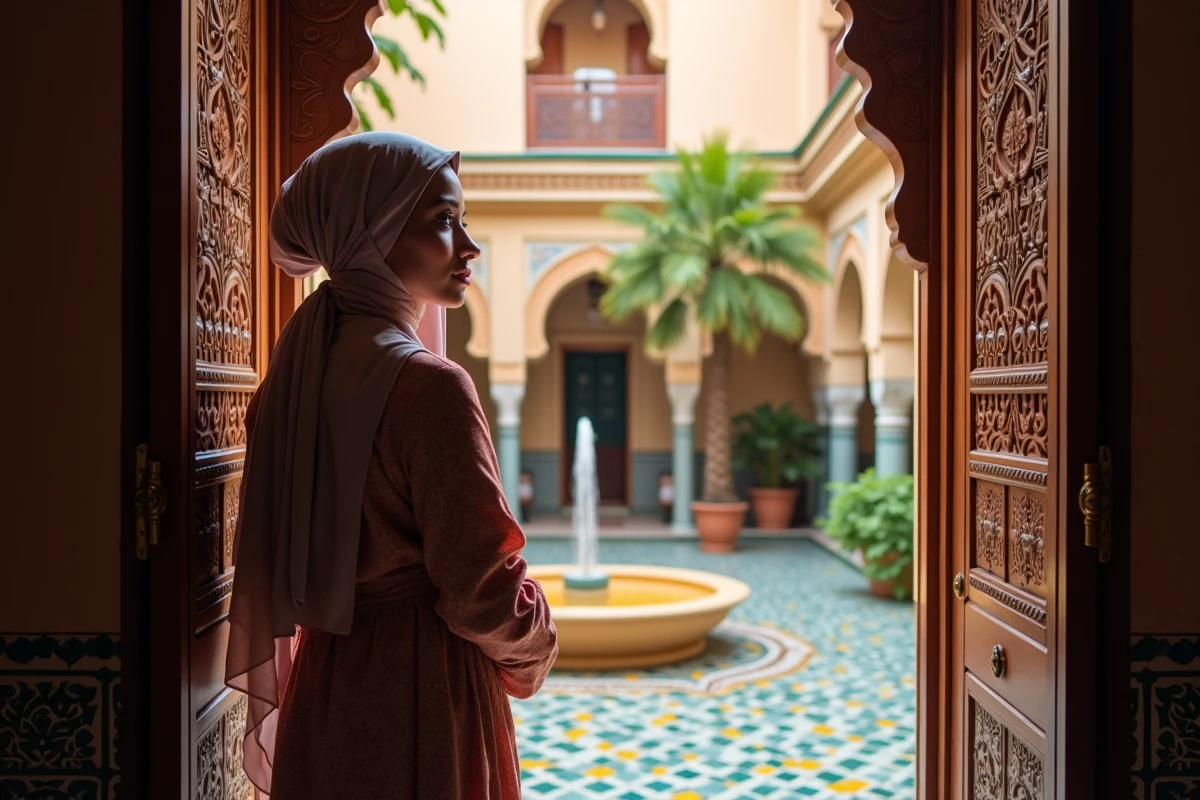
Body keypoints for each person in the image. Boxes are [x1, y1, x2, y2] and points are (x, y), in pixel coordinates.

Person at [225, 132, 558, 799]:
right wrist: (539, 646)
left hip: (327, 690)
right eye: (442, 220)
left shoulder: (285, 390)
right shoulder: (428, 387)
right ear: (372, 231)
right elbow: (478, 589)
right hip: (424, 693)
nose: (468, 246)